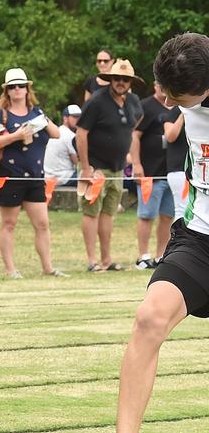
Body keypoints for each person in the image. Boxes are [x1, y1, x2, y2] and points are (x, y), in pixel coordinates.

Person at [83, 32, 209, 433]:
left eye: (175, 95)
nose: (166, 100)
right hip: (199, 238)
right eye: (163, 90)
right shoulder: (180, 98)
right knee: (148, 318)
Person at [0, 68, 65, 279]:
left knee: (42, 224)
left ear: (28, 89)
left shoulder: (37, 112)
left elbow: (56, 134)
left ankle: (48, 267)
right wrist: (16, 136)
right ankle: (11, 269)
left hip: (35, 176)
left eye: (21, 85)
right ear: (7, 91)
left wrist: (43, 121)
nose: (17, 89)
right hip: (10, 176)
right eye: (12, 86)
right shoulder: (1, 114)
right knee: (9, 223)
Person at [76, 58, 143, 272]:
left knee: (108, 213)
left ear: (130, 82)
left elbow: (134, 127)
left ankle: (106, 259)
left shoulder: (133, 101)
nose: (121, 82)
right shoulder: (97, 101)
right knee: (91, 212)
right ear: (110, 80)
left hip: (117, 168)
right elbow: (81, 133)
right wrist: (86, 168)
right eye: (117, 78)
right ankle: (92, 261)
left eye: (125, 79)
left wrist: (129, 155)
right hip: (95, 167)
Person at [131, 81, 175, 269]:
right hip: (150, 172)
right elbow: (134, 135)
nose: (162, 87)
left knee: (167, 216)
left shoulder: (177, 105)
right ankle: (143, 256)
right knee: (147, 215)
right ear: (154, 85)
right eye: (159, 83)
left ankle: (160, 255)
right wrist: (136, 163)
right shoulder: (146, 106)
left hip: (171, 171)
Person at [163, 92, 188, 221]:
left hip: (196, 169)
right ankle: (180, 240)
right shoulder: (174, 112)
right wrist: (183, 114)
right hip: (178, 170)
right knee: (182, 210)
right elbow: (170, 136)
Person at [43, 104, 81, 186]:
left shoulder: (57, 131)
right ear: (65, 118)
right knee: (92, 175)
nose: (78, 119)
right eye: (75, 117)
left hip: (48, 176)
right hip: (63, 177)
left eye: (79, 117)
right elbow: (77, 163)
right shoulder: (70, 136)